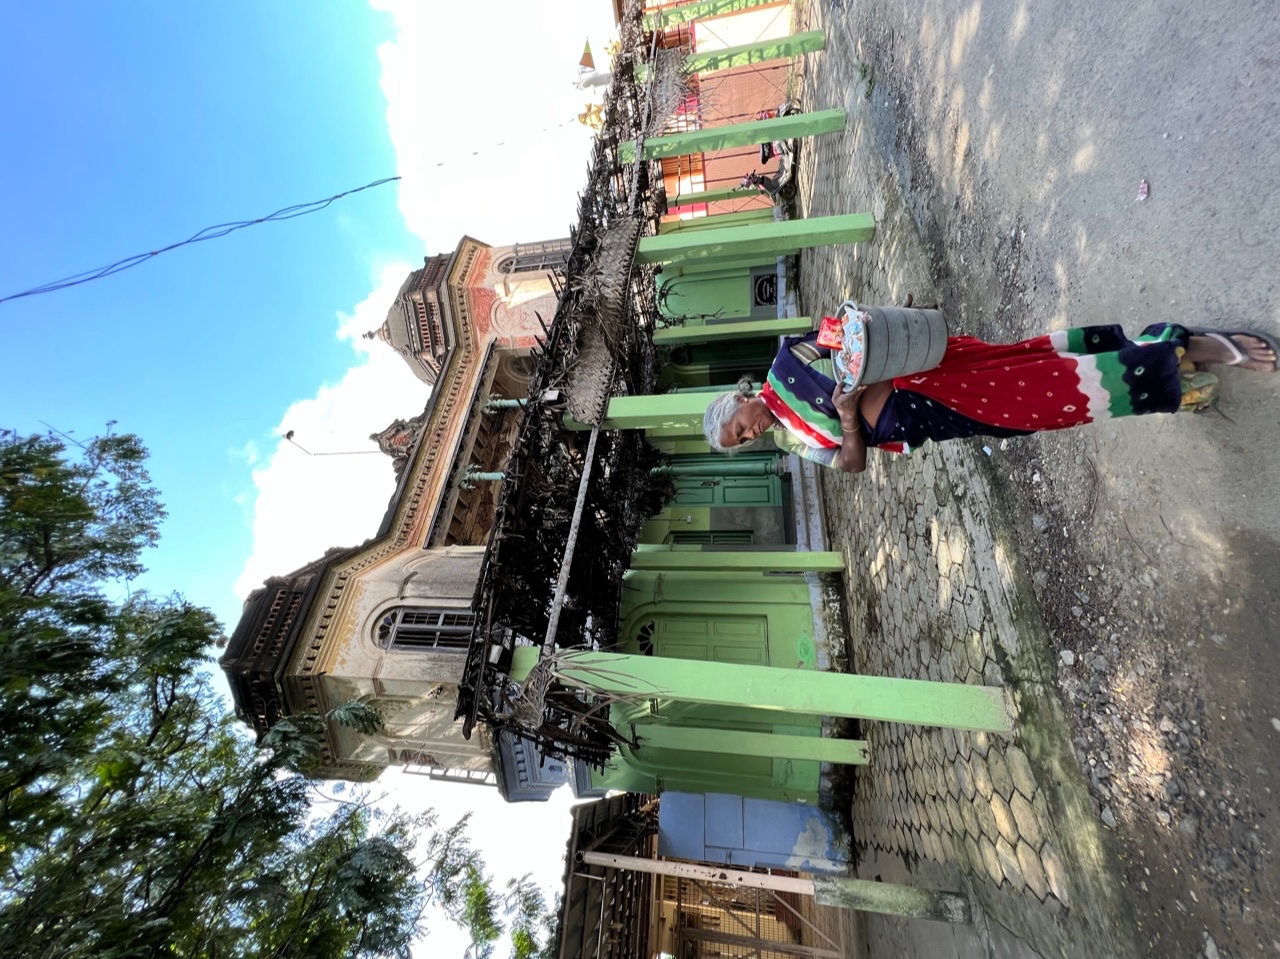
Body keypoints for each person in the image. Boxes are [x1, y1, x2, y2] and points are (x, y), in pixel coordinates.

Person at [703, 314, 1278, 473]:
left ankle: (1187, 349)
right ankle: (1158, 363)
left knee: (1044, 382)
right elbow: (851, 464)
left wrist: (870, 359)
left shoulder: (789, 362)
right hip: (929, 419)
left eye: (738, 426)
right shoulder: (794, 443)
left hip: (926, 376)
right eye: (742, 442)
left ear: (740, 398)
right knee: (1046, 408)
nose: (749, 434)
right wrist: (849, 419)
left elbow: (847, 337)